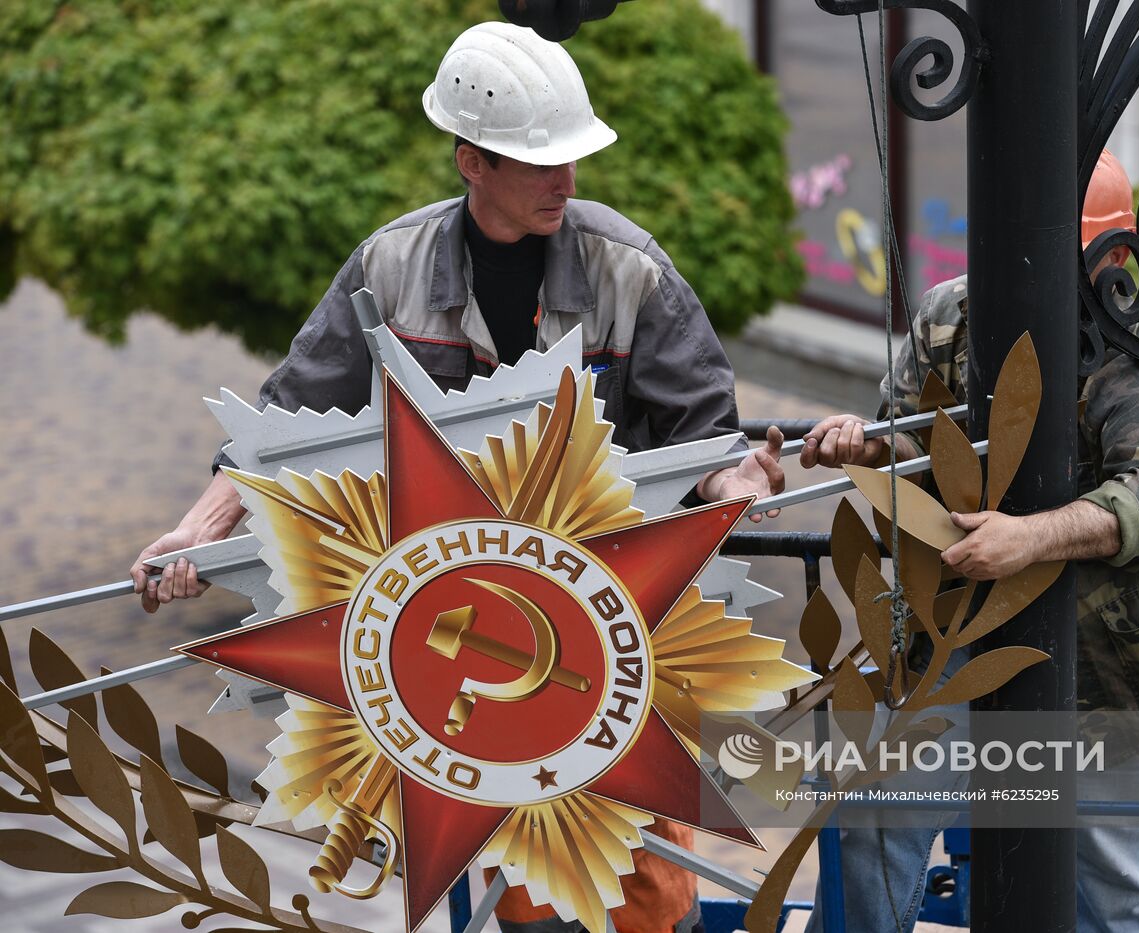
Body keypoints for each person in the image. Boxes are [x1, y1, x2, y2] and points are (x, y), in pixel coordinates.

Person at [132, 21, 786, 933]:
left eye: (574, 158)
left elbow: (707, 442)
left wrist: (737, 489)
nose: (566, 181)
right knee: (514, 866)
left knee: (637, 871)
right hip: (457, 627)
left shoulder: (630, 271)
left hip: (611, 626)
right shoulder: (389, 269)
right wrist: (197, 531)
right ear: (470, 160)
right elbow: (279, 432)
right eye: (540, 161)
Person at [798, 149, 1139, 933]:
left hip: (1116, 670)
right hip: (969, 630)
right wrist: (866, 449)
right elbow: (917, 448)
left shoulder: (1133, 350)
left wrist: (1031, 538)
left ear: (1109, 262)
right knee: (871, 817)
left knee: (1116, 893)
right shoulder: (949, 318)